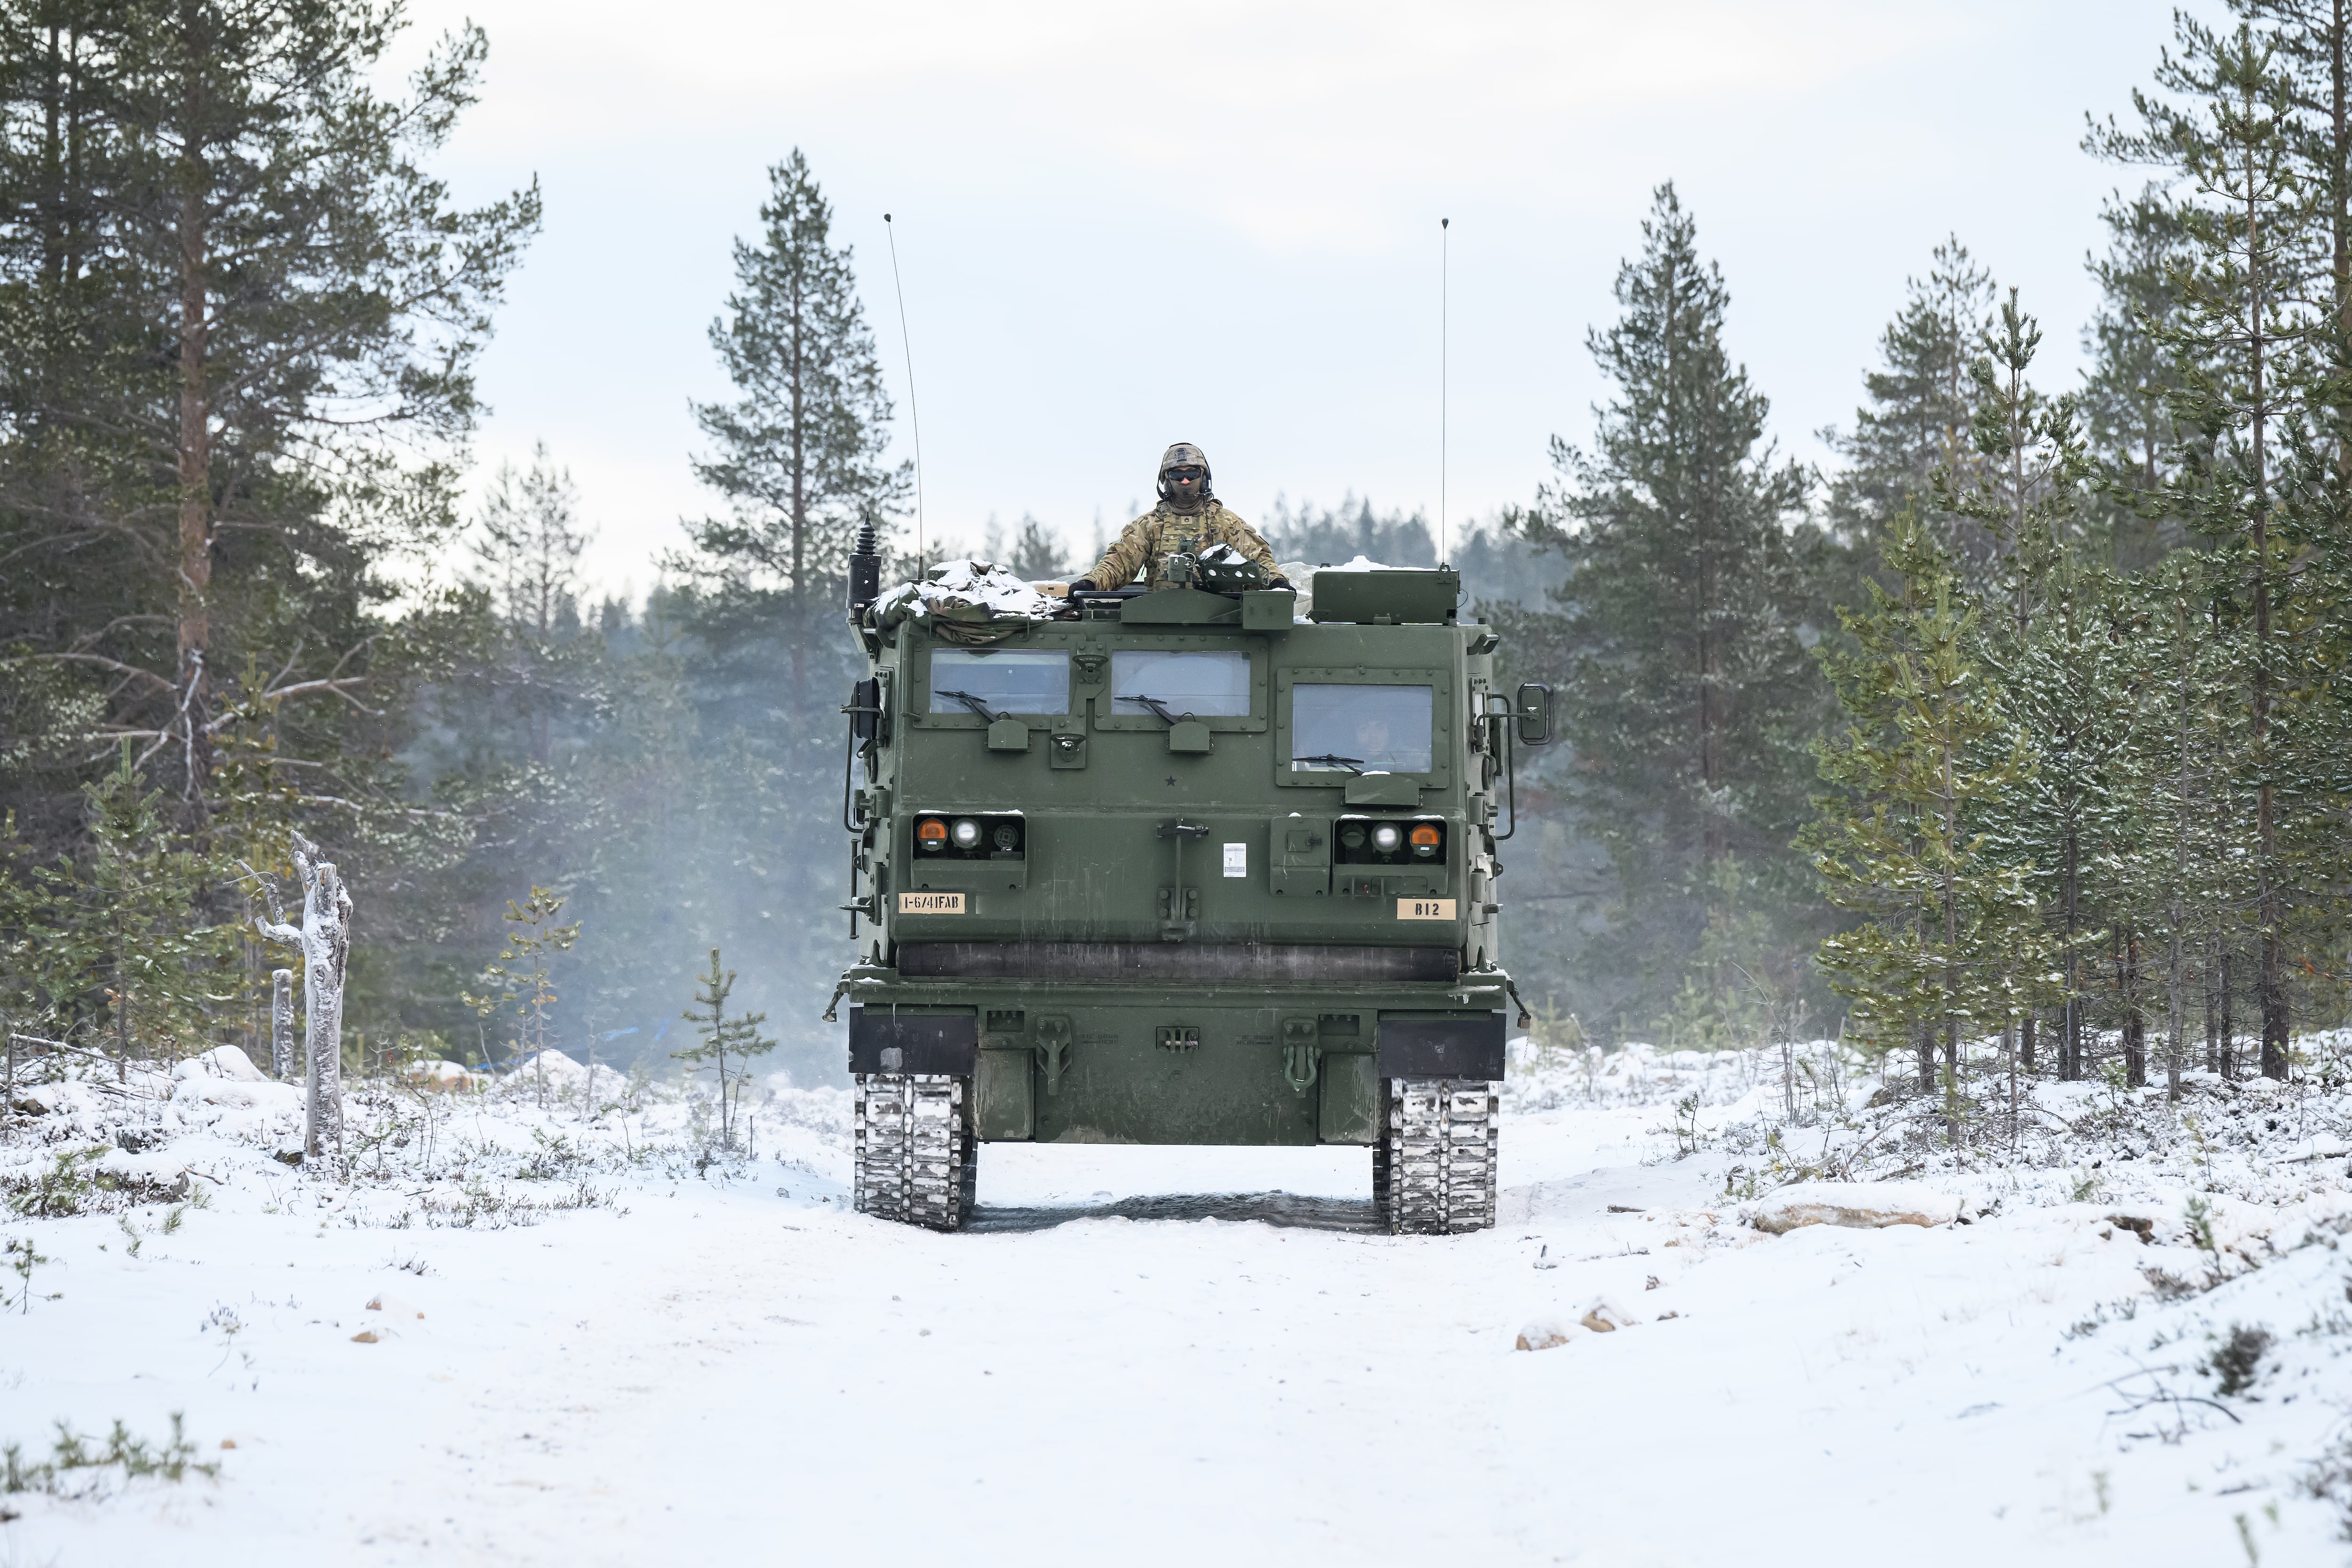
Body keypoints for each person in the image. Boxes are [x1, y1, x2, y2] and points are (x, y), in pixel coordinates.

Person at [1070, 443, 1289, 592]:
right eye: (1177, 475)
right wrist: (1090, 583)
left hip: (1223, 619)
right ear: (1167, 480)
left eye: (1192, 474)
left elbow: (1258, 558)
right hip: (1161, 621)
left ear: (1203, 478)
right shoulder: (1150, 525)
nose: (1185, 481)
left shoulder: (1226, 523)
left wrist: (1277, 582)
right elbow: (1119, 561)